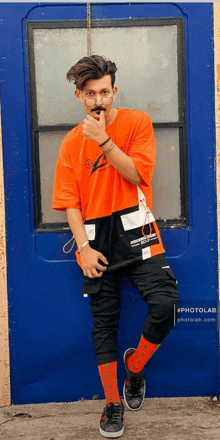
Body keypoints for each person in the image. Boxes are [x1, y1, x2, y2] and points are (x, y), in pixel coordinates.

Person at [52, 55, 179, 438]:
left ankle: (135, 369)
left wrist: (103, 139)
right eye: (90, 94)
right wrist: (83, 249)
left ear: (114, 91)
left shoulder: (136, 122)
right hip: (95, 238)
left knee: (166, 303)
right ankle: (111, 404)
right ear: (79, 96)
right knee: (103, 323)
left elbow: (138, 174)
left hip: (137, 227)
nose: (99, 101)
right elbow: (70, 203)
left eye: (105, 92)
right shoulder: (71, 143)